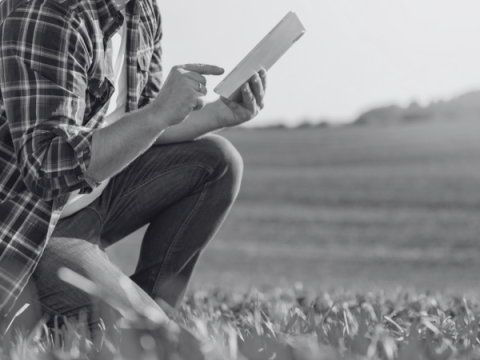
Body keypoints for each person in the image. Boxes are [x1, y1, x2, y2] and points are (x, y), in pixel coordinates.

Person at [0, 0, 266, 339]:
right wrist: (157, 114)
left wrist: (219, 115)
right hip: (32, 229)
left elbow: (142, 126)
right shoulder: (52, 13)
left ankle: (135, 314)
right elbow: (46, 168)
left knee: (219, 160)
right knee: (157, 338)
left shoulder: (143, 11)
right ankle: (90, 319)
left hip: (95, 198)